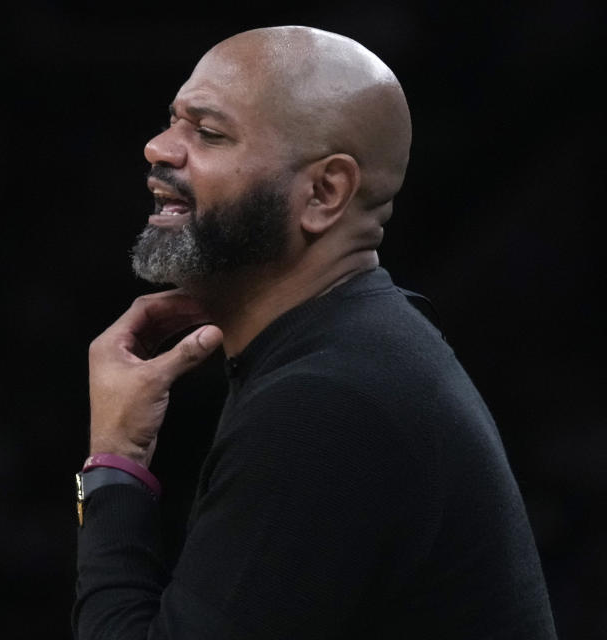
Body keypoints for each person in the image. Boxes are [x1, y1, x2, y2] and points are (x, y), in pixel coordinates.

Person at [72, 26, 556, 639]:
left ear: (325, 192)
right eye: (172, 121)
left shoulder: (328, 404)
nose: (158, 148)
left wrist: (114, 462)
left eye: (208, 132)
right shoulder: (360, 344)